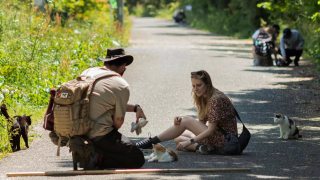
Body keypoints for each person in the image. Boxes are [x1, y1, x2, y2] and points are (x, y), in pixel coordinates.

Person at [135, 70, 238, 154]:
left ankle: (151, 142)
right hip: (219, 139)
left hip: (226, 141)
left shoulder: (215, 99)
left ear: (207, 84)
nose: (196, 89)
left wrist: (189, 138)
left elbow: (210, 130)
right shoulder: (204, 97)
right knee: (178, 139)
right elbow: (201, 124)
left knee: (186, 124)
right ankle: (200, 148)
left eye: (199, 85)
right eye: (193, 86)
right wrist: (180, 125)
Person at [81, 47, 146, 169]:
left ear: (105, 62)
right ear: (123, 66)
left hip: (78, 129)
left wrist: (135, 108)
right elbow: (118, 122)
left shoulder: (88, 72)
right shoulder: (121, 84)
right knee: (137, 157)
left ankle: (89, 149)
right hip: (98, 134)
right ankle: (97, 157)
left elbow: (105, 103)